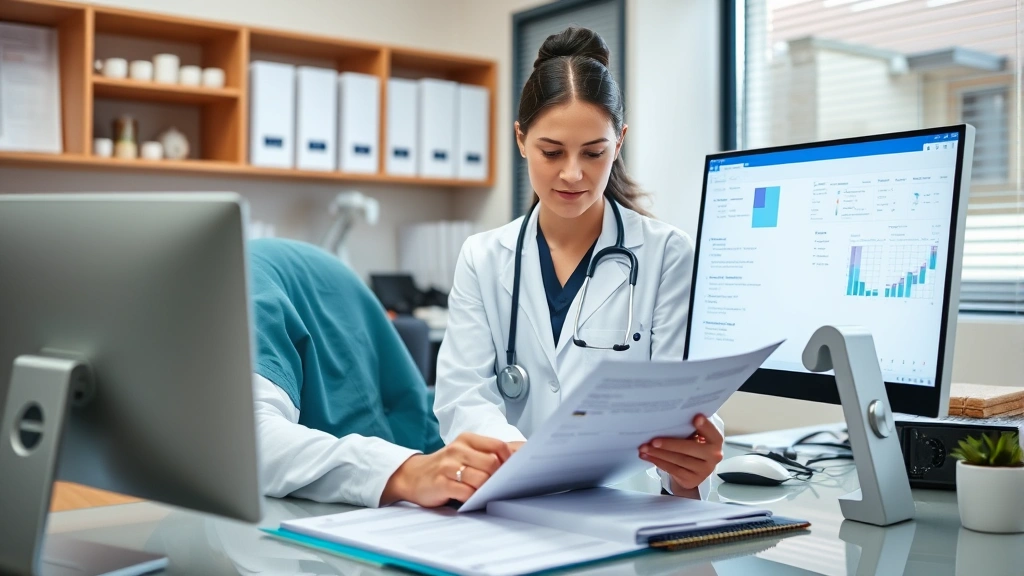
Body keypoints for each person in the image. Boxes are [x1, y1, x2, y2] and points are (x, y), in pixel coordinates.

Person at [433, 27, 724, 498]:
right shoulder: (483, 258)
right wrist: (523, 460)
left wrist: (687, 465)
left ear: (620, 141)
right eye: (552, 152)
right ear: (521, 140)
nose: (573, 173)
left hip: (630, 515)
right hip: (513, 506)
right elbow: (462, 397)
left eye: (594, 152)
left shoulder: (669, 255)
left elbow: (681, 405)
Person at [250, 238, 511, 508]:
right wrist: (408, 473)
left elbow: (251, 440)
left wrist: (410, 472)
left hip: (413, 463)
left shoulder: (240, 294)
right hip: (396, 479)